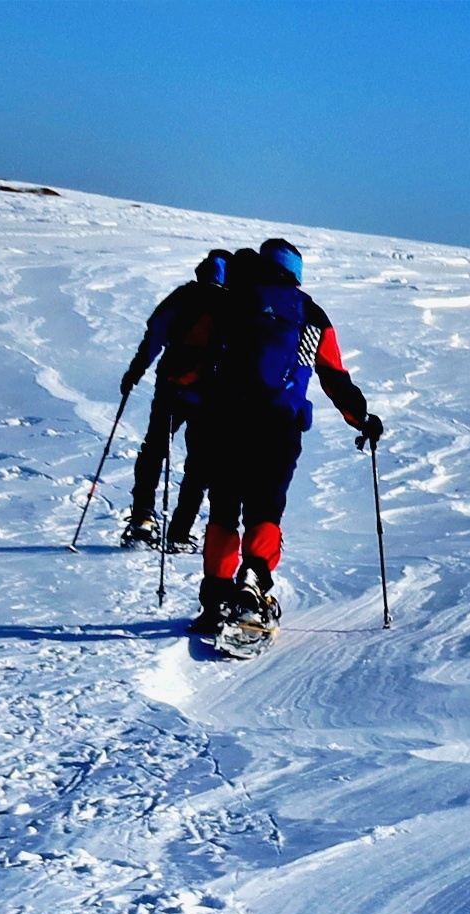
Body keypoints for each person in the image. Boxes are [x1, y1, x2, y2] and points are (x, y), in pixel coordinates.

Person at [190, 237, 380, 638]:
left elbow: (197, 357)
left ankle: (215, 599)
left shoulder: (230, 301)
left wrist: (183, 394)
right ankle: (254, 582)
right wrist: (361, 418)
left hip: (223, 421)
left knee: (223, 509)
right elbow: (333, 376)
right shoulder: (310, 315)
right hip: (278, 425)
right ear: (296, 272)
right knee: (265, 507)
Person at [118, 249, 232, 549]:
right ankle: (180, 531)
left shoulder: (182, 296)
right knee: (200, 464)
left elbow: (154, 335)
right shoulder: (231, 304)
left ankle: (143, 517)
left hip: (170, 386)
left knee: (155, 449)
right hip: (209, 396)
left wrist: (134, 372)